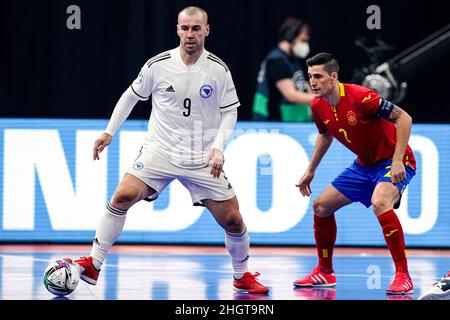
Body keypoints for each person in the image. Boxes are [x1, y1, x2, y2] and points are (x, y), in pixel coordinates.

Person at [66, 6, 269, 295]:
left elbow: (230, 113)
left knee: (234, 221)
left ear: (206, 31)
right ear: (177, 30)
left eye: (196, 29)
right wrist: (109, 131)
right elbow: (130, 97)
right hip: (159, 151)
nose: (190, 34)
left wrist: (218, 148)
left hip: (201, 157)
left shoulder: (219, 70)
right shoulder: (157, 65)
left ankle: (241, 275)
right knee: (122, 195)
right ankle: (93, 264)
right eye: (185, 28)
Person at [293, 53, 416, 295]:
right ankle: (325, 272)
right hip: (364, 165)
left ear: (334, 76)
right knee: (321, 206)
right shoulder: (317, 105)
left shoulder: (361, 97)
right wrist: (310, 170)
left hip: (395, 161)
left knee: (380, 202)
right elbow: (325, 134)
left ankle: (403, 276)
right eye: (310, 77)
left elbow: (404, 118)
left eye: (318, 76)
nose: (313, 82)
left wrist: (398, 160)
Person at [252, 17, 315, 122]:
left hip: (290, 121)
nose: (305, 45)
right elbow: (291, 95)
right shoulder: (277, 61)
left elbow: (303, 84)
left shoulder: (291, 59)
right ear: (290, 36)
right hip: (274, 124)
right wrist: (321, 100)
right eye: (303, 40)